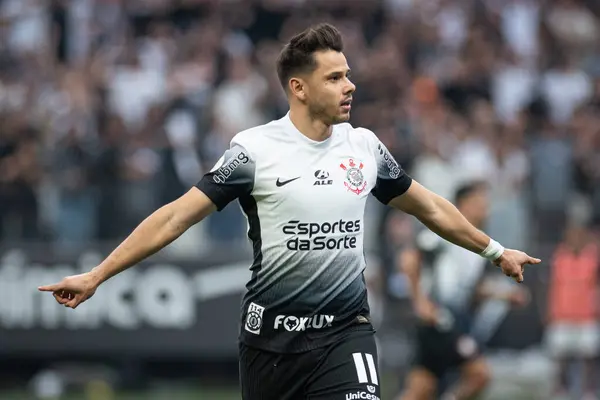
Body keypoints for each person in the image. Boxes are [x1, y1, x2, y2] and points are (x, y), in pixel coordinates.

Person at [38, 24, 541, 400]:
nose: (351, 86)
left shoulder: (363, 146)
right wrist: (99, 275)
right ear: (299, 88)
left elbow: (428, 206)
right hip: (270, 343)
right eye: (335, 77)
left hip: (346, 331)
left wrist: (495, 251)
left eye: (349, 75)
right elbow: (175, 217)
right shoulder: (253, 151)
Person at [396, 181, 530, 400]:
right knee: (479, 375)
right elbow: (409, 259)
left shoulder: (480, 244)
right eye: (479, 202)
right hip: (439, 319)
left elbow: (470, 290)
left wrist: (504, 296)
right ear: (463, 204)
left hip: (452, 321)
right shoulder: (444, 232)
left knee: (421, 389)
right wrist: (420, 302)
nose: (485, 208)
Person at [545, 222, 599, 400]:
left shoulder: (593, 257)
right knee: (560, 355)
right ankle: (561, 390)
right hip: (562, 314)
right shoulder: (559, 257)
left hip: (587, 315)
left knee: (588, 355)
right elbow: (551, 285)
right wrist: (548, 310)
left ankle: (587, 391)